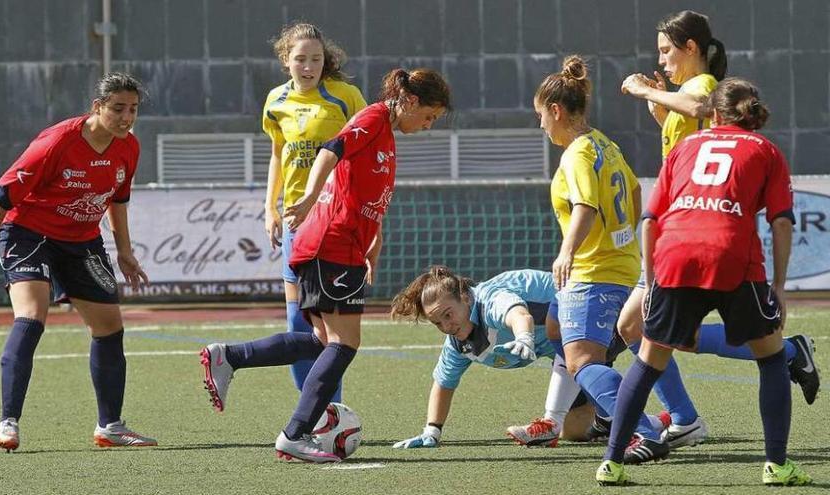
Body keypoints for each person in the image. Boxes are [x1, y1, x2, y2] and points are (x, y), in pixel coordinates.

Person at [200, 68, 451, 462]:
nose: (428, 124)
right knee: (345, 343)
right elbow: (331, 149)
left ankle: (229, 357)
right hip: (330, 244)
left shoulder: (387, 134)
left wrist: (374, 247)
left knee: (321, 342)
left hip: (340, 247)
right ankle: (295, 433)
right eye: (429, 115)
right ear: (411, 101)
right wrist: (309, 195)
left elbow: (371, 200)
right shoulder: (372, 118)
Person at [612, 11, 818, 450]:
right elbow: (689, 141)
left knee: (636, 328)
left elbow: (702, 108)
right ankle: (783, 357)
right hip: (685, 232)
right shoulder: (685, 92)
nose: (662, 60)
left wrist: (645, 89)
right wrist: (659, 105)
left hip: (694, 235)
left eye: (667, 51)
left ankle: (685, 418)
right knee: (651, 332)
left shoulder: (702, 87)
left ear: (692, 49)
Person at [0, 72, 157, 451]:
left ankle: (110, 426)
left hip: (82, 241)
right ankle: (8, 422)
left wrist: (126, 252)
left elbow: (118, 200)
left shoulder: (128, 147)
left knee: (109, 326)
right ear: (97, 107)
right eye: (117, 109)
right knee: (32, 316)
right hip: (29, 235)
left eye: (132, 110)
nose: (126, 117)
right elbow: (2, 194)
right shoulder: (57, 142)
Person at [536, 55, 671, 464]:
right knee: (557, 328)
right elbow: (632, 191)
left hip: (592, 271)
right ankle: (674, 417)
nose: (541, 124)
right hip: (622, 266)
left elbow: (585, 206)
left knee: (582, 362)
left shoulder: (576, 153)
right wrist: (623, 236)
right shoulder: (604, 144)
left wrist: (567, 252)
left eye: (541, 115)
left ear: (557, 111)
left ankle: (643, 430)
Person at [389, 266, 669, 450]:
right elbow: (444, 382)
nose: (447, 326)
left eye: (448, 315)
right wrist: (431, 431)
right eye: (438, 323)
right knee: (575, 429)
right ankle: (660, 422)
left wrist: (523, 336)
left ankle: (556, 422)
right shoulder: (459, 341)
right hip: (569, 343)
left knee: (575, 355)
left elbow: (518, 314)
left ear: (465, 297)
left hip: (599, 307)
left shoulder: (489, 301)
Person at [257, 23, 366, 410]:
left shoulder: (346, 97)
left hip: (335, 220)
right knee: (298, 323)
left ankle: (327, 410)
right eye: (300, 58)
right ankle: (313, 409)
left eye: (316, 58)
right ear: (286, 60)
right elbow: (277, 155)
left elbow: (365, 150)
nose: (308, 66)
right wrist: (271, 207)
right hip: (296, 224)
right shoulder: (275, 101)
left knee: (331, 327)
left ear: (326, 61)